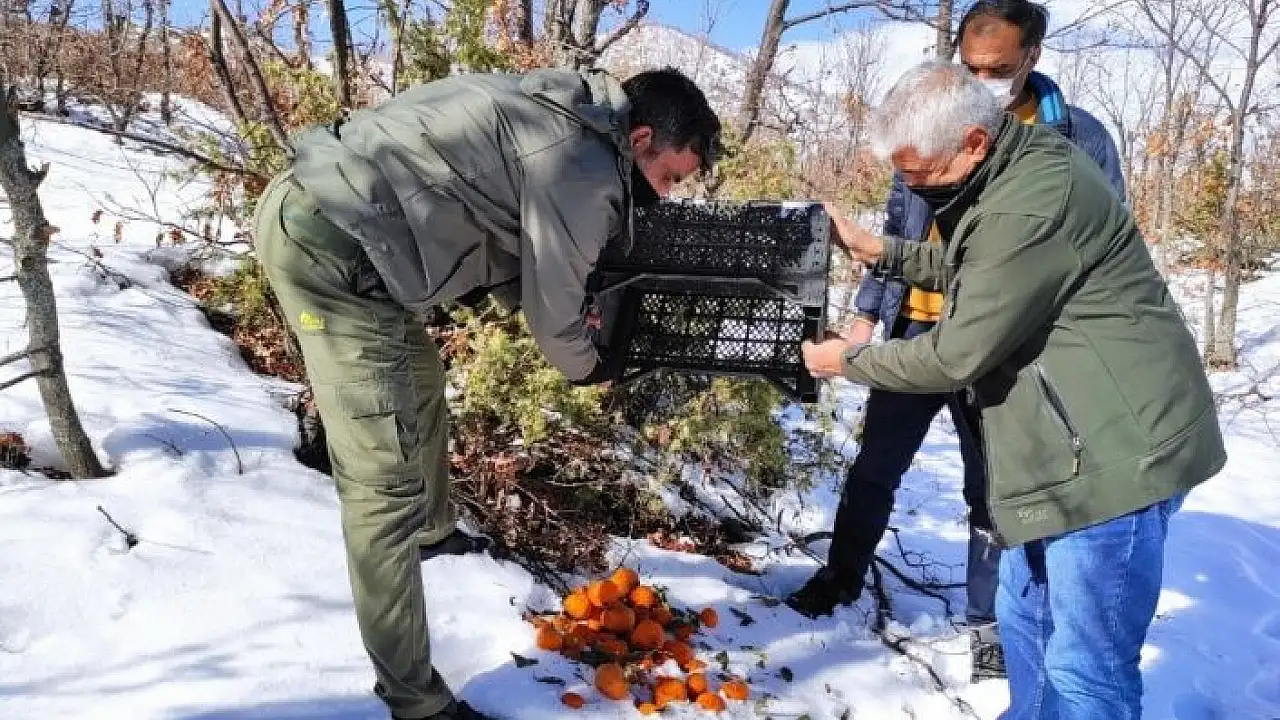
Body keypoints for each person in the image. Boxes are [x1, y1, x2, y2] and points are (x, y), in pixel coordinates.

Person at [253, 67, 720, 720]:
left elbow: (495, 213)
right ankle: (416, 701)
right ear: (640, 139)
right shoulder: (581, 165)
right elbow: (556, 321)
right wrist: (593, 368)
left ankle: (434, 532)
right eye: (668, 178)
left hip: (351, 229)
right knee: (381, 487)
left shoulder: (572, 112)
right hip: (331, 251)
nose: (665, 196)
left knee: (421, 381)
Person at [802, 61, 1225, 720]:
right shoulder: (1012, 165)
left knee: (1084, 670)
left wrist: (846, 360)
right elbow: (976, 263)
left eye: (920, 172)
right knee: (1025, 619)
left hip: (1112, 460)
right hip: (1058, 447)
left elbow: (953, 356)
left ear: (973, 142)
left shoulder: (1029, 200)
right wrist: (879, 250)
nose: (911, 185)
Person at [785, 0, 1126, 681]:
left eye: (997, 69)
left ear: (1032, 57)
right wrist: (867, 317)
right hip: (919, 321)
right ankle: (840, 576)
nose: (982, 80)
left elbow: (1097, 240)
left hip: (1004, 344)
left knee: (992, 489)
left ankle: (988, 625)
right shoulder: (932, 118)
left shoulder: (1075, 139)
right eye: (970, 67)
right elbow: (901, 227)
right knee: (876, 465)